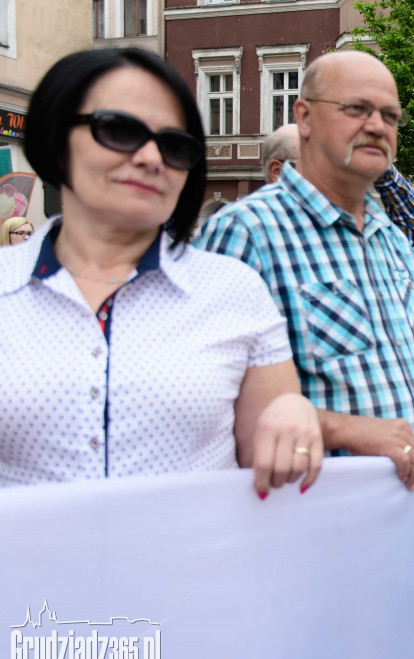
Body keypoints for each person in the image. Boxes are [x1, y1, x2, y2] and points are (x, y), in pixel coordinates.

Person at [3, 47, 323, 495]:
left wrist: (293, 415)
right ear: (56, 140)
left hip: (194, 562)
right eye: (119, 129)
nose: (152, 158)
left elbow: (271, 460)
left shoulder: (234, 290)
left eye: (175, 145)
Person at [197, 51, 414, 492]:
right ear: (305, 116)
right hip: (309, 516)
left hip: (406, 512)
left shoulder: (389, 237)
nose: (377, 126)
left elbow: (410, 367)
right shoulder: (246, 232)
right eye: (356, 109)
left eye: (390, 115)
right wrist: (344, 429)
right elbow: (204, 404)